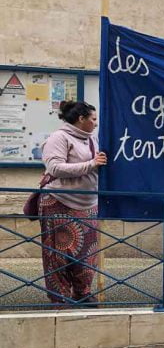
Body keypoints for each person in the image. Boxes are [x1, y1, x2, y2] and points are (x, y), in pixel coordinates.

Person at [40, 100, 107, 306]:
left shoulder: (92, 140)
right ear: (81, 119)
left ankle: (83, 293)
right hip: (59, 201)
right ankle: (60, 298)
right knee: (59, 255)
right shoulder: (59, 137)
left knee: (88, 253)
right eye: (93, 119)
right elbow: (54, 168)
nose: (96, 123)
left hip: (88, 204)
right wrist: (91, 164)